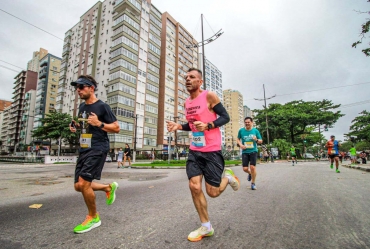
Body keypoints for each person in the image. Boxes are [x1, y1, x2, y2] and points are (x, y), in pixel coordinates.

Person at [166, 68, 239, 242]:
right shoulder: (187, 103)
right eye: (186, 77)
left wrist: (208, 125)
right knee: (195, 187)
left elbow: (225, 117)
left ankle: (227, 178)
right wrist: (179, 126)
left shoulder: (209, 96)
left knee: (212, 192)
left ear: (200, 82)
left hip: (212, 150)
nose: (187, 79)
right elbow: (192, 125)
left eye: (192, 77)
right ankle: (206, 227)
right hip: (195, 150)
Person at [69, 75, 120, 234]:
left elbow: (116, 127)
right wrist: (75, 125)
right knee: (78, 186)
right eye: (77, 87)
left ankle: (93, 217)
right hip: (85, 146)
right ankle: (108, 187)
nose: (78, 90)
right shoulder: (82, 108)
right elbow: (84, 125)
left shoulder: (102, 106)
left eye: (81, 87)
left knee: (84, 183)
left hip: (98, 147)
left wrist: (100, 124)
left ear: (91, 88)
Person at [237, 117, 262, 190]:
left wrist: (256, 139)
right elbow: (238, 139)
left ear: (251, 122)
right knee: (245, 169)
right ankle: (250, 173)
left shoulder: (255, 131)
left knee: (252, 167)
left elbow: (261, 141)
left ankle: (253, 183)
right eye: (246, 122)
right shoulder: (241, 131)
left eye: (248, 122)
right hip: (245, 152)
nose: (247, 123)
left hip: (253, 151)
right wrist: (241, 145)